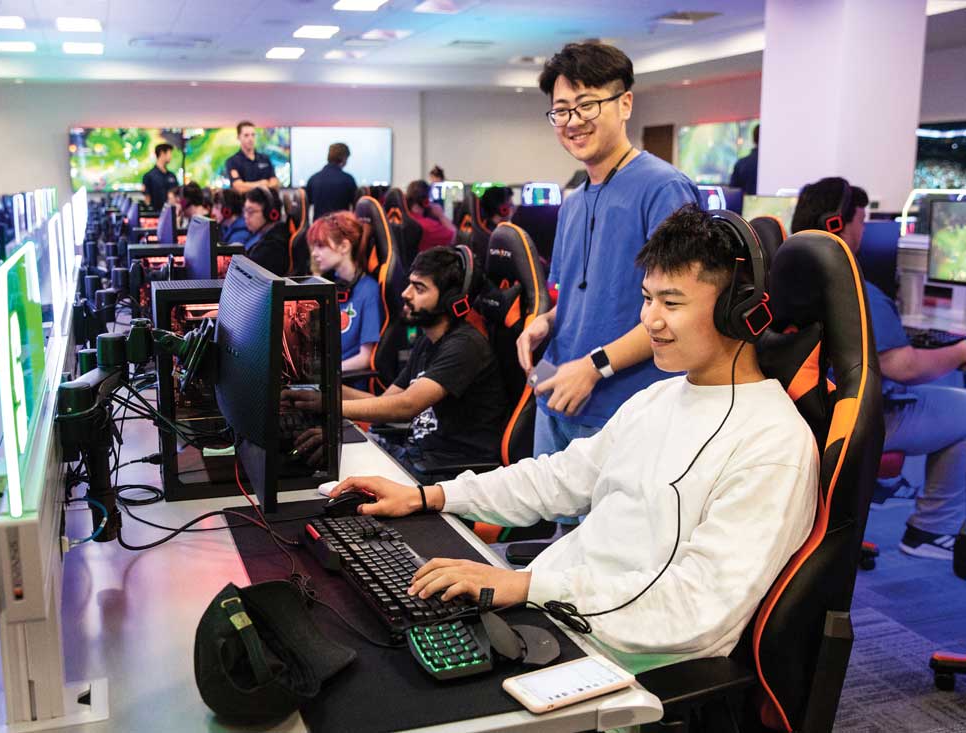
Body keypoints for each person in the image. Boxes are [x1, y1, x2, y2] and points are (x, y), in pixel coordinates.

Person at [330, 205, 818, 669]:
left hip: (620, 657)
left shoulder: (772, 443)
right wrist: (430, 495)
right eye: (647, 299)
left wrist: (526, 587)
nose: (650, 320)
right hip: (555, 612)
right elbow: (559, 478)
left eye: (672, 303)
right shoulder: (658, 398)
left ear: (738, 311)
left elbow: (694, 609)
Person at [517, 41, 700, 461]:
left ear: (625, 104)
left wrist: (595, 365)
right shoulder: (575, 201)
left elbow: (678, 312)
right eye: (561, 110)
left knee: (604, 528)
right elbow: (582, 297)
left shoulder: (663, 189)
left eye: (587, 105)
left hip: (618, 410)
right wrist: (544, 323)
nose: (573, 121)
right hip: (557, 395)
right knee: (560, 527)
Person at [793, 176, 966, 561]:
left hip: (811, 409)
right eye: (861, 220)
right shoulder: (853, 288)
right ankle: (928, 531)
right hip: (859, 416)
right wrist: (960, 352)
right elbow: (903, 367)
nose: (864, 229)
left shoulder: (787, 274)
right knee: (964, 407)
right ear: (838, 224)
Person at [339, 246, 507, 481]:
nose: (406, 294)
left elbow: (406, 406)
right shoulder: (427, 341)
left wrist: (327, 409)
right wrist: (328, 392)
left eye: (419, 288)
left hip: (448, 471)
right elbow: (387, 403)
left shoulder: (465, 346)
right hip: (419, 458)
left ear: (451, 300)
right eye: (410, 284)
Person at [307, 211, 381, 374]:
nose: (314, 254)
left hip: (346, 383)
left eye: (320, 246)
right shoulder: (331, 285)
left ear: (344, 247)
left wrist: (325, 372)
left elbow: (365, 358)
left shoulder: (369, 291)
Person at [242, 187, 290, 276]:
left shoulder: (273, 246)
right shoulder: (267, 235)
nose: (245, 216)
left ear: (270, 213)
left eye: (250, 211)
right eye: (245, 211)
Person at [306, 142, 358, 221]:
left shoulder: (313, 179)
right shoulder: (348, 180)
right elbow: (356, 207)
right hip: (341, 229)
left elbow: (307, 204)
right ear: (344, 158)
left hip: (318, 230)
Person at [224, 121, 280, 195]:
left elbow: (275, 182)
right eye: (246, 135)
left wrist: (248, 186)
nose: (250, 138)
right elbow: (239, 186)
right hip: (245, 204)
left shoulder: (265, 159)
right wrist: (261, 184)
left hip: (267, 203)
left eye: (253, 135)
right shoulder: (232, 161)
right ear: (238, 137)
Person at [406, 180, 456, 251]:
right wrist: (441, 215)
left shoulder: (402, 220)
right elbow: (454, 236)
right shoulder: (428, 226)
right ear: (425, 202)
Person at [142, 143, 179, 213]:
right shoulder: (149, 176)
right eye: (169, 153)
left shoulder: (172, 176)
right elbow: (147, 199)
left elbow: (176, 195)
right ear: (162, 153)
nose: (171, 157)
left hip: (171, 213)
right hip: (156, 214)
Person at [729, 124, 759, 196]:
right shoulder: (776, 165)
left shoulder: (741, 164)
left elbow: (733, 192)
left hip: (746, 205)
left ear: (753, 140)